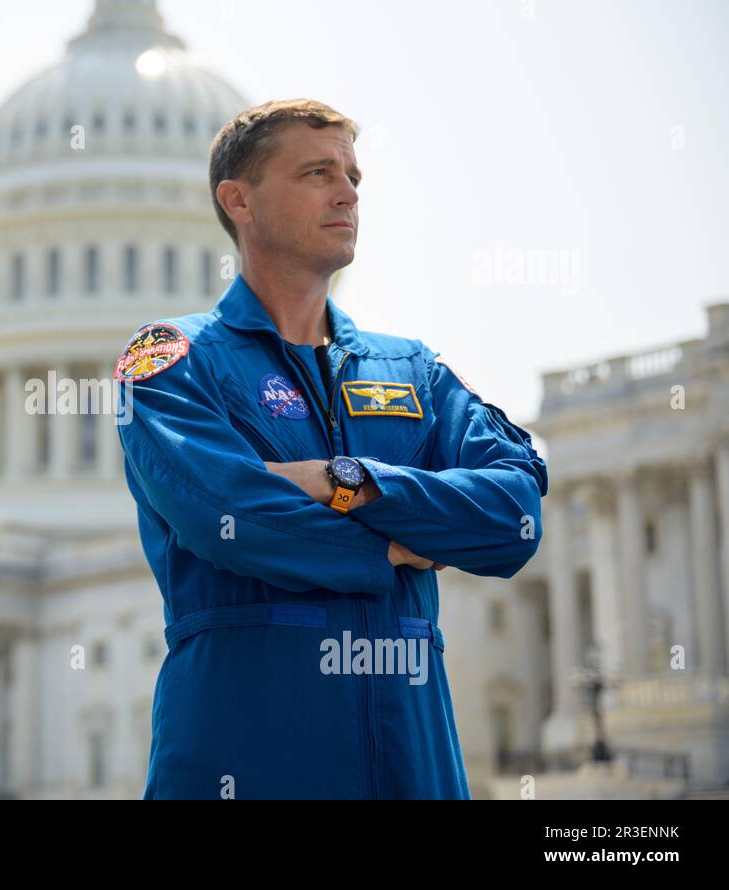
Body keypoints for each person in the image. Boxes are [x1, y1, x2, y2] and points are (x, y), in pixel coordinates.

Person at [114, 99, 548, 799]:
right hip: (245, 756)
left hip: (416, 759)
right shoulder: (172, 361)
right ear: (239, 201)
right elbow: (229, 515)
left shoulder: (413, 369)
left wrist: (347, 481)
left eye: (353, 175)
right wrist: (397, 548)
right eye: (317, 172)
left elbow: (513, 515)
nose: (347, 192)